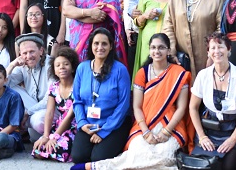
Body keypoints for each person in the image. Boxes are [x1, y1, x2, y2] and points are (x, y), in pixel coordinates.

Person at [86, 33, 193, 169]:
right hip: (144, 124)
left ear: (168, 50)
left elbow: (181, 108)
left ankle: (103, 167)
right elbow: (136, 107)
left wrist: (166, 131)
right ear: (149, 50)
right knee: (137, 151)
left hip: (171, 125)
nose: (157, 51)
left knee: (165, 155)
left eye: (161, 47)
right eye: (153, 47)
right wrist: (146, 132)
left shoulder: (179, 73)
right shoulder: (142, 73)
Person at [189, 33, 236, 170]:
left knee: (226, 167)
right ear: (208, 52)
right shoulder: (203, 75)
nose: (217, 51)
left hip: (233, 132)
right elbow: (193, 107)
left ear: (229, 50)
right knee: (203, 166)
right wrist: (202, 136)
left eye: (220, 47)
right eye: (213, 48)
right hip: (209, 132)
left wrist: (233, 139)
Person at [70, 27, 131, 165]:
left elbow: (123, 105)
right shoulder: (82, 68)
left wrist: (104, 132)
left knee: (98, 158)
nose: (100, 47)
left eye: (104, 44)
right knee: (79, 156)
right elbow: (77, 101)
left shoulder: (120, 70)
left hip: (114, 124)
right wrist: (82, 123)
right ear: (91, 46)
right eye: (96, 43)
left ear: (111, 47)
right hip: (89, 123)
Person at [163, 0, 225, 80]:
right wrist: (172, 52)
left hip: (207, 57)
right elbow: (168, 25)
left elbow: (221, 28)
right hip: (181, 58)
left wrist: (213, 55)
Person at [30, 47, 79, 162]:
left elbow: (70, 116)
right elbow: (50, 112)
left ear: (72, 68)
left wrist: (55, 137)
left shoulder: (78, 86)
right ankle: (51, 151)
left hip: (74, 126)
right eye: (57, 65)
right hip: (58, 125)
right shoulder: (54, 87)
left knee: (59, 147)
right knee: (38, 148)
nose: (61, 67)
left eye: (66, 64)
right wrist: (46, 136)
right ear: (54, 70)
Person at [132, 0, 179, 73]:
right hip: (148, 46)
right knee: (147, 76)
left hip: (171, 46)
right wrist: (144, 16)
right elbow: (137, 24)